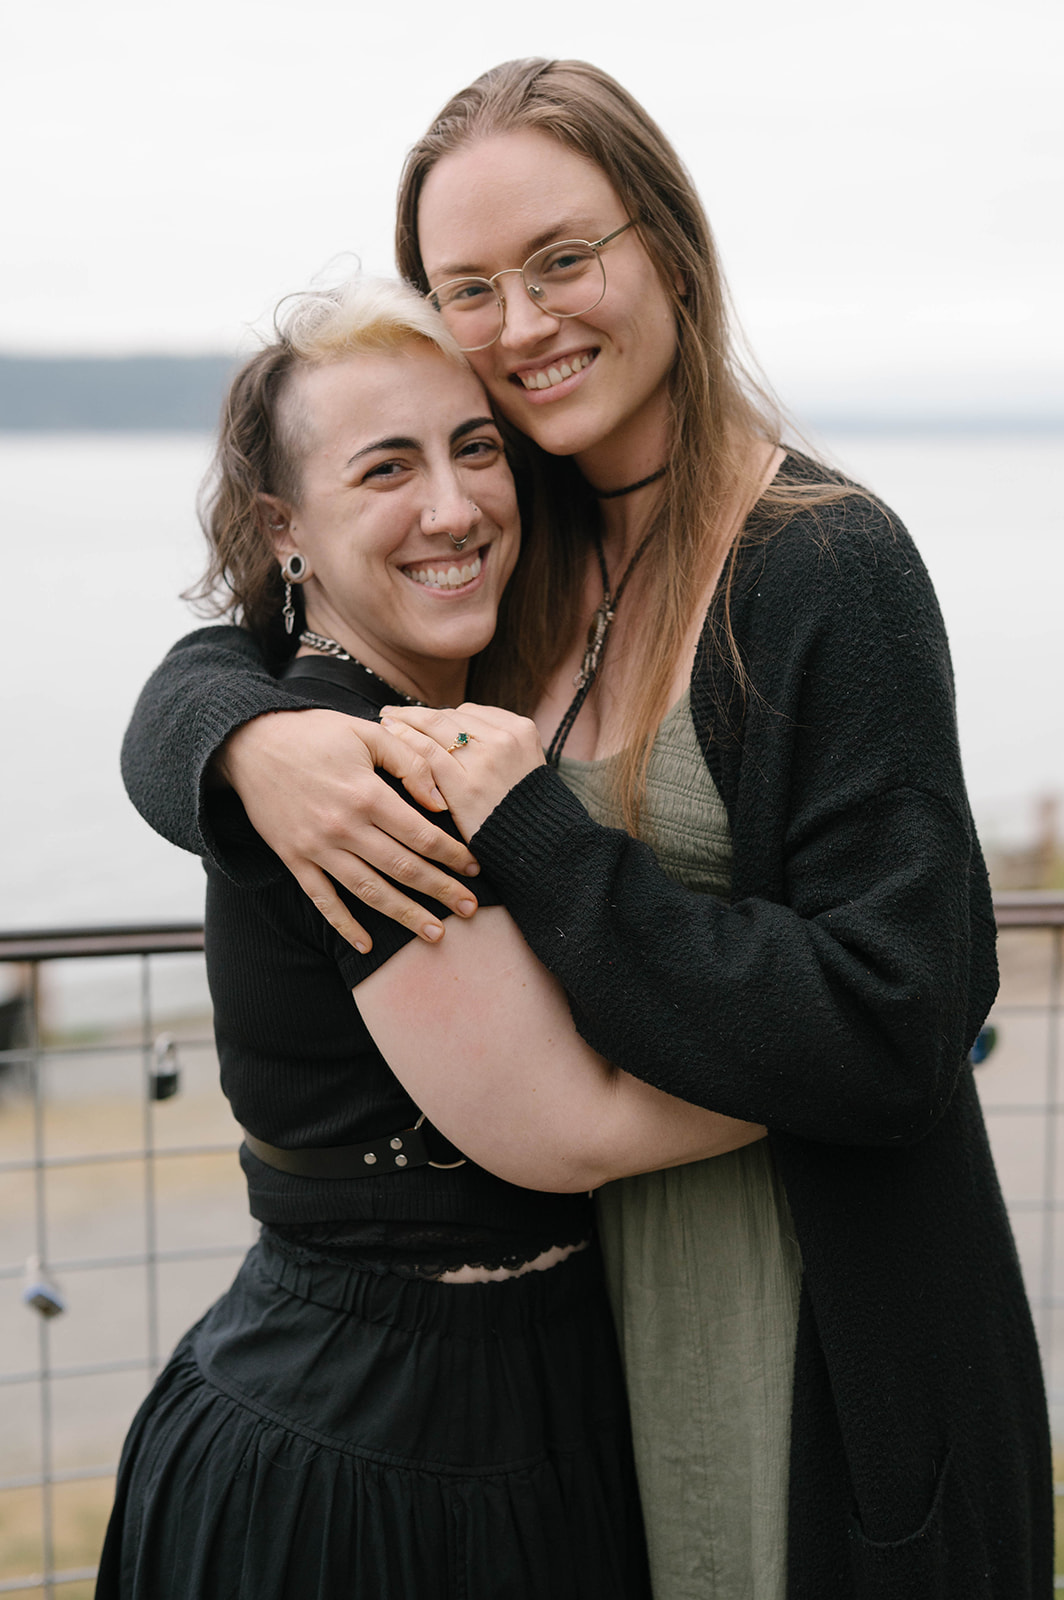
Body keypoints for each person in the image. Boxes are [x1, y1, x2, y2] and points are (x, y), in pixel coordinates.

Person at [119, 59, 1053, 1600]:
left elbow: (898, 1016)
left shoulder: (825, 569)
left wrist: (542, 833)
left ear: (667, 242)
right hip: (595, 1352)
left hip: (824, 1326)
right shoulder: (521, 539)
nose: (526, 323)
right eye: (469, 286)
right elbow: (256, 637)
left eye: (564, 258)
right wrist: (243, 745)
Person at [96, 274, 765, 1600]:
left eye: (475, 449)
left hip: (489, 1403)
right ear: (287, 529)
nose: (454, 507)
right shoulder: (363, 772)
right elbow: (565, 1131)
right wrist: (868, 1052)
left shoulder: (432, 718)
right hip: (381, 1461)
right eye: (386, 468)